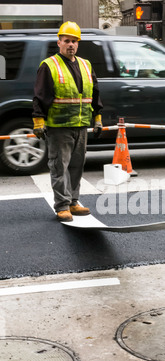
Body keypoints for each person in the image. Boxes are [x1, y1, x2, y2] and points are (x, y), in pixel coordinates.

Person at [32, 21, 103, 222]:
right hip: (59, 127)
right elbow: (40, 95)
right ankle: (62, 205)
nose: (70, 44)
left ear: (78, 44)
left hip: (80, 125)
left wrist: (97, 118)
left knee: (76, 166)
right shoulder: (49, 65)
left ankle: (73, 201)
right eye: (67, 41)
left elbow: (94, 93)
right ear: (59, 42)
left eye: (74, 41)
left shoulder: (85, 64)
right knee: (59, 167)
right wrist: (39, 121)